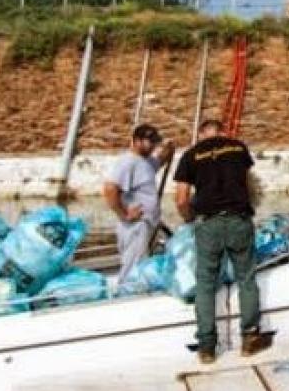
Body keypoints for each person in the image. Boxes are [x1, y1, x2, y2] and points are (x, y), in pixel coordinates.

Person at [173, 118, 266, 363]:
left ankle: (206, 348)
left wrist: (189, 218)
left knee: (205, 283)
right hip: (238, 219)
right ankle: (249, 338)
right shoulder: (238, 148)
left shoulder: (191, 155)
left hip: (208, 224)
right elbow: (247, 184)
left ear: (202, 134)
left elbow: (181, 198)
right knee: (246, 278)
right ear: (222, 132)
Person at [102, 124, 172, 285]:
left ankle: (137, 289)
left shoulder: (146, 161)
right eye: (150, 142)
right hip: (135, 225)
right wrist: (124, 214)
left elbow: (159, 162)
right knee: (132, 266)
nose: (153, 146)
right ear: (137, 141)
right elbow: (110, 189)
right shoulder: (128, 162)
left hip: (148, 223)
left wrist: (168, 150)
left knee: (142, 264)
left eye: (155, 142)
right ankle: (125, 296)